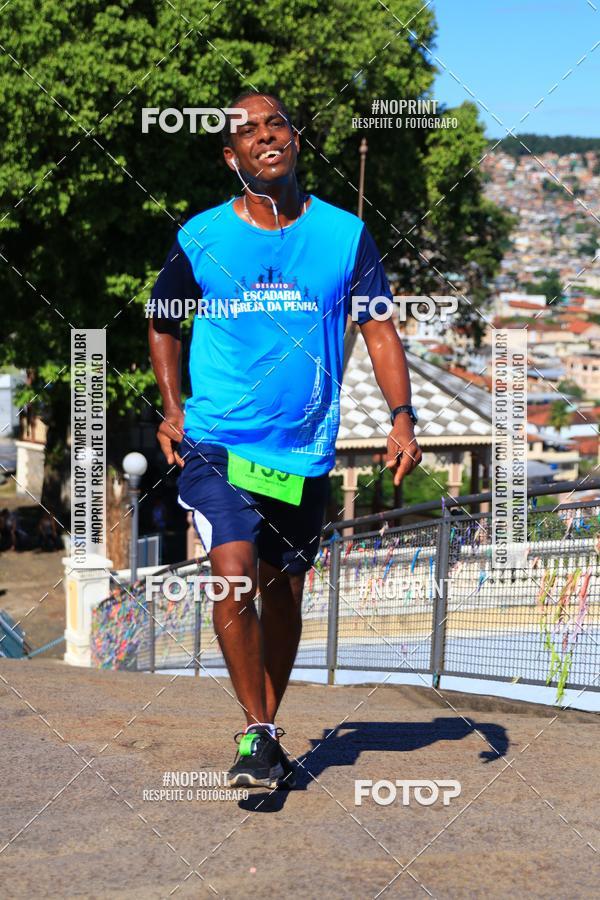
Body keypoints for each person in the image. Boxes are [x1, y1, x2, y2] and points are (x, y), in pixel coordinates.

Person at [148, 91, 421, 789]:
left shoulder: (345, 235)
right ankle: (259, 734)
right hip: (217, 442)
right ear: (231, 155)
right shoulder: (201, 237)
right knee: (233, 566)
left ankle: (266, 727)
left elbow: (379, 326)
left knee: (285, 593)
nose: (265, 136)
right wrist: (172, 408)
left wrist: (401, 417)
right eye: (248, 130)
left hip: (300, 453)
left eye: (276, 124)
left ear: (296, 139)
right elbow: (162, 321)